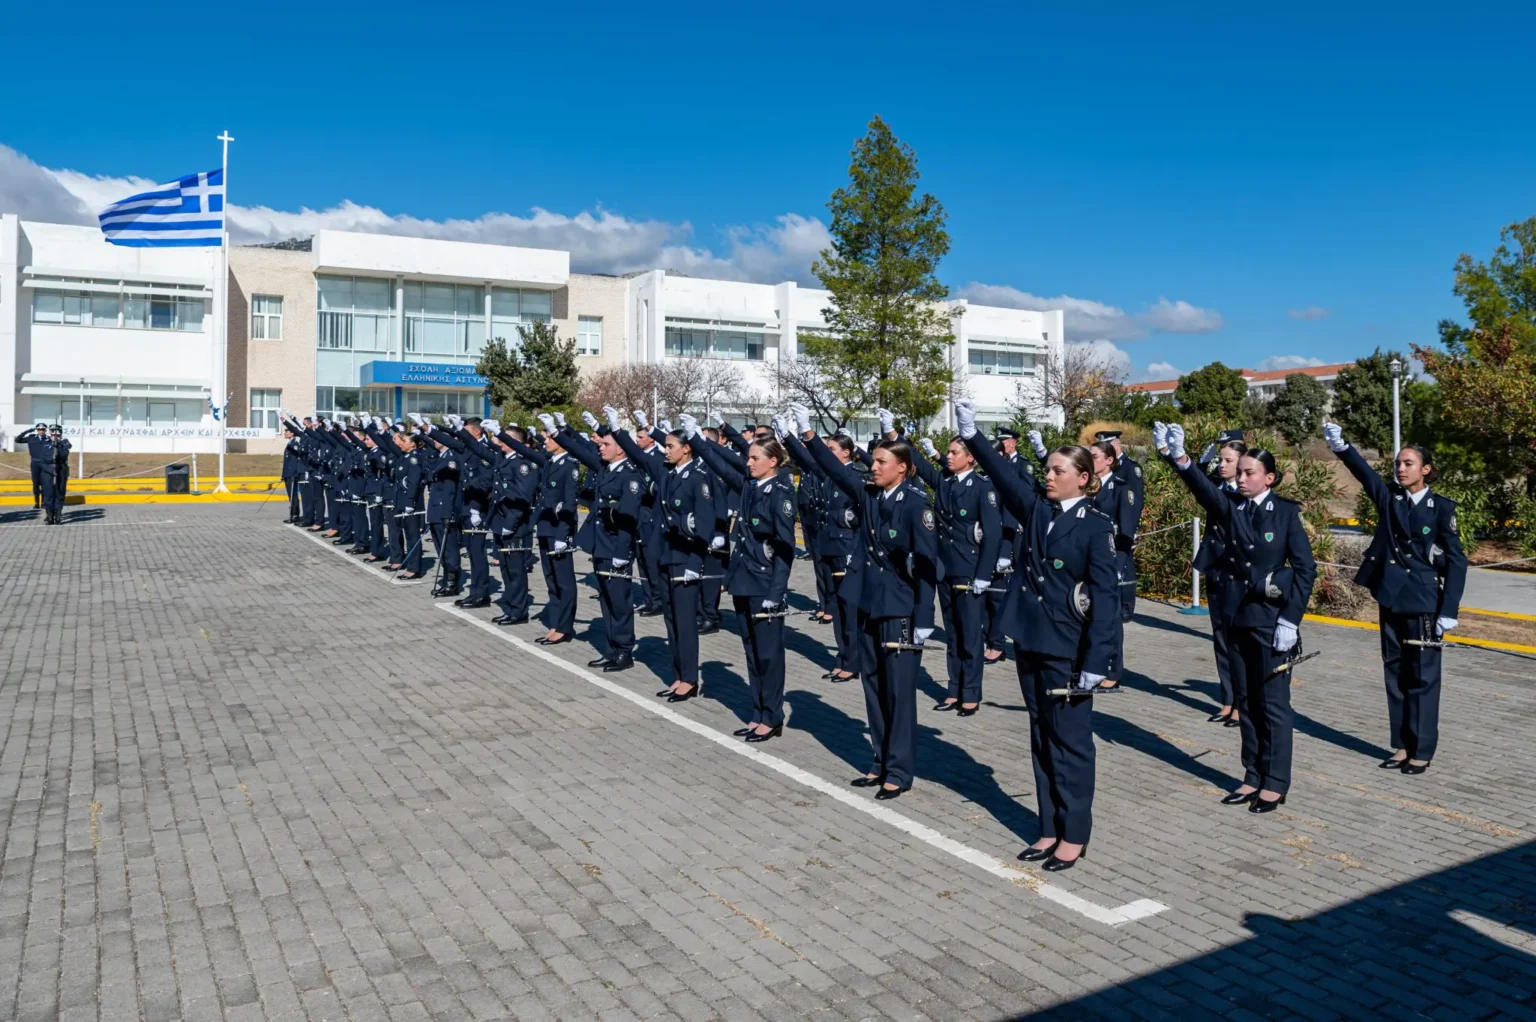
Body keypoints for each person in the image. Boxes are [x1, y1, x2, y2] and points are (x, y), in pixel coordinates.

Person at [960, 400, 1118, 871]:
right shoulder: (1037, 511)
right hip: (1030, 638)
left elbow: (1106, 601)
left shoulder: (1094, 527)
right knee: (1041, 737)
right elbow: (1007, 479)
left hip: (1068, 647)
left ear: (1082, 478)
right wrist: (974, 437)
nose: (1047, 476)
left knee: (1070, 741)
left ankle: (1075, 833)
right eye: (1047, 469)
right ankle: (1048, 826)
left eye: (1057, 470)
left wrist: (1097, 661)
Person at [1158, 422, 1316, 814]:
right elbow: (1206, 491)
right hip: (1239, 618)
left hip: (1272, 622)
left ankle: (1275, 782)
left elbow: (1305, 570)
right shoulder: (1233, 508)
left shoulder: (1285, 515)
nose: (1241, 478)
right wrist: (1181, 460)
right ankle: (1252, 775)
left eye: (1249, 473)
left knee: (1273, 705)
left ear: (1270, 478)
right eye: (1239, 472)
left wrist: (1290, 620)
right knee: (1246, 701)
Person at [791, 402, 939, 799]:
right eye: (872, 461)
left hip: (902, 608)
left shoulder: (915, 504)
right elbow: (834, 470)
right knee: (873, 686)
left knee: (898, 693)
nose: (871, 467)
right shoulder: (871, 493)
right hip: (871, 603)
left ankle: (900, 770)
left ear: (902, 467)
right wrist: (807, 435)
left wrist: (925, 615)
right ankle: (880, 761)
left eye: (880, 462)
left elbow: (927, 565)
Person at [1324, 422, 1467, 774]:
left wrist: (1449, 609)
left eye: (1408, 464)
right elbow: (1365, 475)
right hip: (1391, 598)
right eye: (1398, 464)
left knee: (1423, 678)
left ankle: (1422, 749)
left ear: (1426, 470)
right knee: (1396, 674)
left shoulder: (1440, 508)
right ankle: (1402, 745)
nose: (1400, 469)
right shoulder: (1390, 498)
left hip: (1424, 603)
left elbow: (1458, 561)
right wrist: (1342, 447)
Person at [691, 414, 798, 739]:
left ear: (773, 461)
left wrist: (776, 592)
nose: (748, 463)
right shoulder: (753, 488)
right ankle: (759, 711)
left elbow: (785, 549)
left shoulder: (780, 494)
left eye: (754, 458)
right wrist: (696, 438)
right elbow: (721, 465)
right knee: (752, 653)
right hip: (744, 580)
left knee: (768, 655)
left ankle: (773, 716)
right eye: (748, 457)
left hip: (765, 584)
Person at [612, 409, 714, 701]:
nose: (665, 451)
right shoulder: (668, 473)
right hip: (667, 557)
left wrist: (695, 562)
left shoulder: (698, 478)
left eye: (670, 446)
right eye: (665, 446)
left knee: (684, 623)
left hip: (686, 560)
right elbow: (639, 455)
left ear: (686, 449)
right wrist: (620, 430)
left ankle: (690, 680)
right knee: (671, 622)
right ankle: (679, 675)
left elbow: (704, 526)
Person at [904, 419, 1001, 716]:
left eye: (955, 452)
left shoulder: (982, 488)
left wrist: (984, 574)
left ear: (970, 457)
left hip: (970, 570)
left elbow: (993, 534)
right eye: (948, 451)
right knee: (953, 633)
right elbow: (919, 464)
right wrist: (902, 439)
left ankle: (970, 692)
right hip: (945, 568)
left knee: (971, 634)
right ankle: (954, 689)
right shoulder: (945, 482)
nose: (948, 456)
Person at [783, 428, 870, 683]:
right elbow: (810, 459)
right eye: (828, 449)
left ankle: (853, 661)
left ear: (847, 453)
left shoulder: (855, 476)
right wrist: (790, 436)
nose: (828, 454)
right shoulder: (831, 476)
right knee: (836, 607)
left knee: (849, 610)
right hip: (830, 547)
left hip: (847, 551)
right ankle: (842, 657)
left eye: (833, 450)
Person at [561, 412, 644, 672]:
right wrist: (559, 432)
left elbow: (628, 519)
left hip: (615, 548)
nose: (601, 447)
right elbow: (578, 450)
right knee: (606, 601)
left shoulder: (629, 476)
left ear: (620, 450)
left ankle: (624, 651)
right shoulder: (605, 469)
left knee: (619, 603)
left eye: (606, 444)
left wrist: (622, 553)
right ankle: (611, 648)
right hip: (601, 546)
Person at [1188, 430, 1248, 726]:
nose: (1221, 465)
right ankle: (1227, 700)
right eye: (1220, 459)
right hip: (1216, 569)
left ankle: (1242, 702)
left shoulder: (1247, 492)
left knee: (1238, 640)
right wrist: (1201, 460)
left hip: (1238, 572)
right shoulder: (1216, 485)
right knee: (1221, 638)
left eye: (1228, 460)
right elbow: (1195, 483)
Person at [17, 424, 59, 522]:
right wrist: (28, 430)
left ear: (45, 430)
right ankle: (36, 502)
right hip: (35, 463)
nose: (41, 431)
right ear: (37, 430)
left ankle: (44, 502)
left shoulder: (48, 439)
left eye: (43, 429)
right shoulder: (31, 438)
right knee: (35, 483)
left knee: (45, 483)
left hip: (45, 463)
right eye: (39, 429)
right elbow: (18, 440)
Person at [50, 425, 72, 516]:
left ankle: (58, 510)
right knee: (49, 491)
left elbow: (64, 454)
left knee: (61, 490)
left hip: (62, 468)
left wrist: (58, 445)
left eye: (57, 434)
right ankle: (50, 513)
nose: (54, 436)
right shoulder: (47, 442)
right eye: (52, 433)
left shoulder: (64, 442)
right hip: (49, 468)